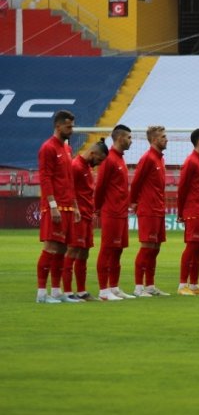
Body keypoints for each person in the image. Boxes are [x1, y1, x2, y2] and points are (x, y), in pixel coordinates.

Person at [36, 110, 81, 304]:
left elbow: (69, 180)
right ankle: (41, 293)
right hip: (55, 206)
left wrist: (75, 205)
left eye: (72, 126)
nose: (71, 130)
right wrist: (52, 205)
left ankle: (55, 291)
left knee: (62, 250)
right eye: (69, 126)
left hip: (68, 206)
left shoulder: (66, 149)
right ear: (58, 126)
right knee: (51, 247)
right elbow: (45, 178)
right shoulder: (48, 148)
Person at [62, 138, 108, 302]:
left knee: (84, 252)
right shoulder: (75, 166)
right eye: (99, 160)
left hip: (87, 216)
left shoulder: (87, 168)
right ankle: (67, 292)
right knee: (73, 250)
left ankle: (81, 291)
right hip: (78, 216)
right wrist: (74, 210)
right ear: (93, 153)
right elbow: (69, 190)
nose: (99, 163)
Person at [129, 125, 169, 297]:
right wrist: (133, 202)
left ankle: (150, 285)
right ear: (154, 140)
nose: (166, 139)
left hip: (158, 209)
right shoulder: (147, 158)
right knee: (147, 247)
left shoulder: (160, 158)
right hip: (148, 209)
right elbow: (136, 182)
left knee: (155, 248)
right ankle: (138, 287)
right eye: (163, 137)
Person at [94, 124, 133, 301]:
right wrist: (97, 208)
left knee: (118, 251)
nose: (131, 141)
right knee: (107, 249)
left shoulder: (120, 159)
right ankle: (103, 290)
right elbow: (100, 186)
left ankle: (114, 287)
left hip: (122, 212)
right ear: (119, 138)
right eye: (129, 137)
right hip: (111, 212)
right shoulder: (109, 160)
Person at [176, 128, 199, 295]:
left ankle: (194, 285)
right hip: (194, 211)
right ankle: (183, 285)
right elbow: (182, 188)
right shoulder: (191, 162)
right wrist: (180, 211)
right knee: (192, 247)